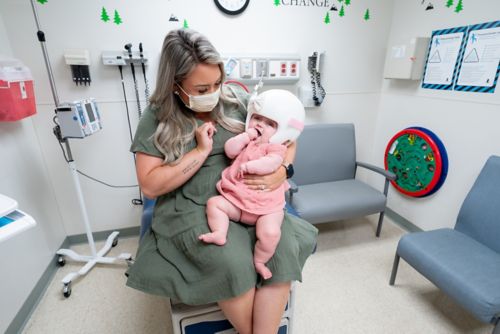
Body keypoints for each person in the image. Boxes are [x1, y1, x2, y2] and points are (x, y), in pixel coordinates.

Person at [125, 28, 317, 334]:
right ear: (176, 85)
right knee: (231, 262)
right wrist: (201, 152)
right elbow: (149, 184)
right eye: (201, 89)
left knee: (280, 252)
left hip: (250, 196)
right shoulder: (157, 117)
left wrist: (283, 171)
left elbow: (288, 137)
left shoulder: (237, 100)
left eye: (217, 82)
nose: (213, 93)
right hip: (190, 203)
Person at [199, 89, 305, 281]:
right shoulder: (247, 141)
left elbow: (272, 163)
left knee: (271, 234)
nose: (260, 125)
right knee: (214, 204)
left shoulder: (276, 147)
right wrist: (245, 137)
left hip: (267, 210)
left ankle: (260, 261)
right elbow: (229, 150)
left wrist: (250, 165)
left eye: (270, 124)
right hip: (238, 202)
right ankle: (219, 232)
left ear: (282, 133)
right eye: (257, 119)